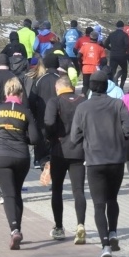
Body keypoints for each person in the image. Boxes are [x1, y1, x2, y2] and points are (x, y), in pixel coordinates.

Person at [71, 70, 129, 257]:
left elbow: (74, 137)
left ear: (90, 87)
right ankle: (114, 232)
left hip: (94, 161)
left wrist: (86, 137)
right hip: (116, 159)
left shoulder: (83, 108)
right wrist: (121, 137)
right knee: (112, 199)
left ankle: (105, 245)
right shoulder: (117, 104)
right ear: (107, 86)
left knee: (99, 204)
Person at [0, 77, 41, 249]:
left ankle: (14, 230)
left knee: (8, 194)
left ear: (6, 92)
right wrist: (22, 138)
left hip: (1, 156)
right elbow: (35, 139)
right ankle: (17, 230)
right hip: (21, 157)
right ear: (20, 93)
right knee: (17, 194)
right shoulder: (26, 112)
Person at [44, 75, 88, 244]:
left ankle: (59, 227)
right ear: (71, 87)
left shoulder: (55, 102)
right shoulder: (82, 101)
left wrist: (52, 136)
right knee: (79, 191)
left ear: (58, 88)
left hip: (59, 150)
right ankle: (80, 225)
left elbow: (48, 122)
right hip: (79, 151)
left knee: (57, 190)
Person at [78, 30, 106, 96]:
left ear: (90, 38)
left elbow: (78, 56)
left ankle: (84, 98)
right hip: (95, 69)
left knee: (85, 85)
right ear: (97, 38)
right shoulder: (100, 48)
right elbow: (104, 60)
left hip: (86, 68)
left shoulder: (84, 46)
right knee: (95, 86)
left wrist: (81, 63)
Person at [104, 20, 129, 89]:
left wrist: (110, 49)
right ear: (123, 27)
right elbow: (127, 44)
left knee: (112, 71)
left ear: (116, 26)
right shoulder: (124, 35)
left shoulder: (112, 34)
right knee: (124, 70)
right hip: (122, 55)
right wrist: (124, 50)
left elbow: (105, 44)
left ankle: (112, 86)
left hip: (113, 54)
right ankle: (121, 86)